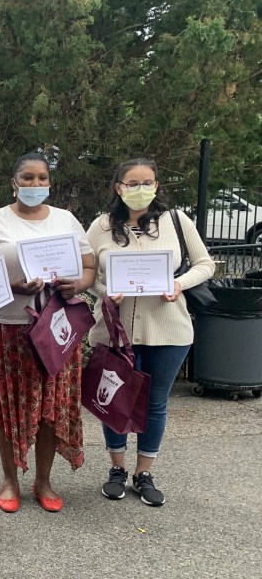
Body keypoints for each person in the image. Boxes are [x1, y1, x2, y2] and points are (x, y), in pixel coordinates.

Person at [86, 158, 214, 506]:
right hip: (116, 332)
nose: (140, 189)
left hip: (168, 330)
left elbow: (205, 264)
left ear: (157, 185)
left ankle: (144, 473)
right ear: (119, 187)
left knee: (155, 403)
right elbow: (88, 274)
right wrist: (106, 291)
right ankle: (117, 468)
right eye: (132, 183)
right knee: (114, 399)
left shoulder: (176, 221)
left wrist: (178, 284)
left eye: (148, 182)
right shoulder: (101, 226)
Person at [0, 152, 96, 513]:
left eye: (42, 178)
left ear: (49, 182)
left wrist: (78, 285)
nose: (35, 184)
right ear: (14, 183)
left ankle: (43, 480)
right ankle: (10, 479)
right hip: (10, 327)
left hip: (57, 328)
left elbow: (89, 266)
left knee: (51, 405)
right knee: (8, 404)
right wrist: (11, 285)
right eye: (27, 178)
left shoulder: (65, 219)